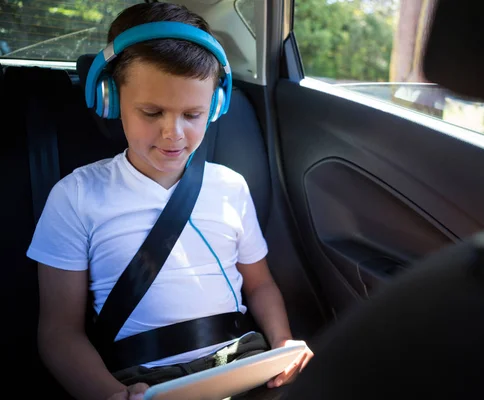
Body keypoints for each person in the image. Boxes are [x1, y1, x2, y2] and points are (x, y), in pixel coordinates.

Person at [25, 3, 313, 400]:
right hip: (141, 382)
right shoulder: (76, 196)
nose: (173, 134)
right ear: (108, 99)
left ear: (215, 107)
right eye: (151, 112)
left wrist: (281, 344)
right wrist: (108, 393)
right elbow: (59, 333)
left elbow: (260, 285)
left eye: (192, 114)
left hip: (245, 365)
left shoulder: (230, 186)